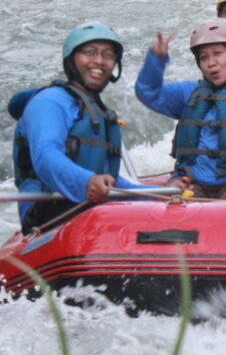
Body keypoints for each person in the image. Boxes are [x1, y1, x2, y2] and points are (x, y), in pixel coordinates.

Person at [135, 18, 226, 201]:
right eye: (204, 57)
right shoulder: (188, 92)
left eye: (218, 54)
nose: (211, 63)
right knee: (176, 192)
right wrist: (156, 61)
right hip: (192, 182)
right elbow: (148, 92)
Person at [10, 22, 134, 234]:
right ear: (71, 59)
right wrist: (86, 182)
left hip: (93, 214)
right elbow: (46, 157)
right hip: (48, 217)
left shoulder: (100, 112)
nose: (99, 61)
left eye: (108, 55)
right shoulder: (49, 102)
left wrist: (164, 194)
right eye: (89, 52)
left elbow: (110, 182)